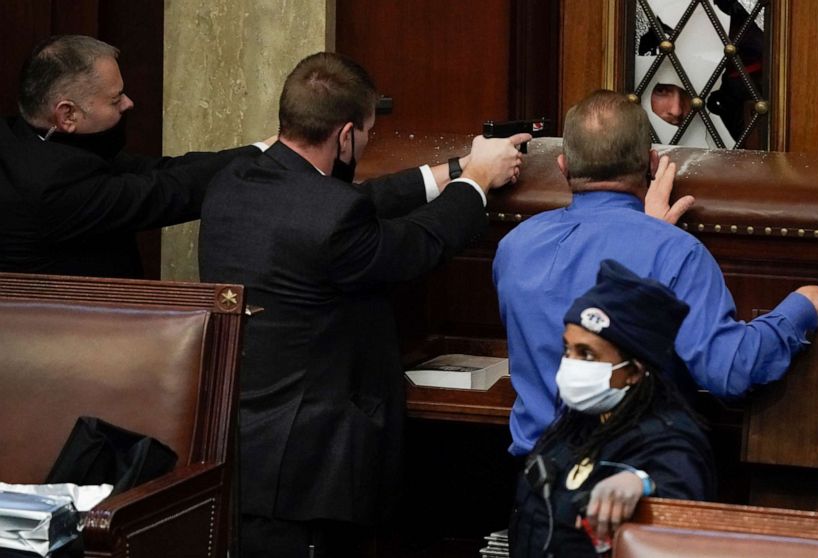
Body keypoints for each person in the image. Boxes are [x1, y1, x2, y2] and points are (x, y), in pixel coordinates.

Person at [197, 52, 529, 557]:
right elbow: (415, 245)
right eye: (369, 133)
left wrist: (456, 168)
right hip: (311, 468)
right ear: (346, 135)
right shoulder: (331, 216)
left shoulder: (235, 181)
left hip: (240, 447)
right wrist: (476, 184)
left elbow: (353, 202)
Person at [493, 89, 818, 458]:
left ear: (563, 166)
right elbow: (730, 371)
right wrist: (803, 305)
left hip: (536, 486)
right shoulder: (674, 252)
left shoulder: (514, 247)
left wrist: (648, 233)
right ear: (653, 164)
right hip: (636, 488)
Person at [0, 35, 264, 278]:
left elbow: (158, 170)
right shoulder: (51, 186)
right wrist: (274, 155)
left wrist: (261, 149)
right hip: (72, 326)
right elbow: (166, 192)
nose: (128, 103)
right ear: (68, 115)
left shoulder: (30, 138)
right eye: (115, 100)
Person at [510, 259, 716, 557]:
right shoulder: (579, 422)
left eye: (588, 355)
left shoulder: (671, 440)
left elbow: (680, 494)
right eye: (568, 349)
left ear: (633, 371)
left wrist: (642, 483)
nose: (571, 365)